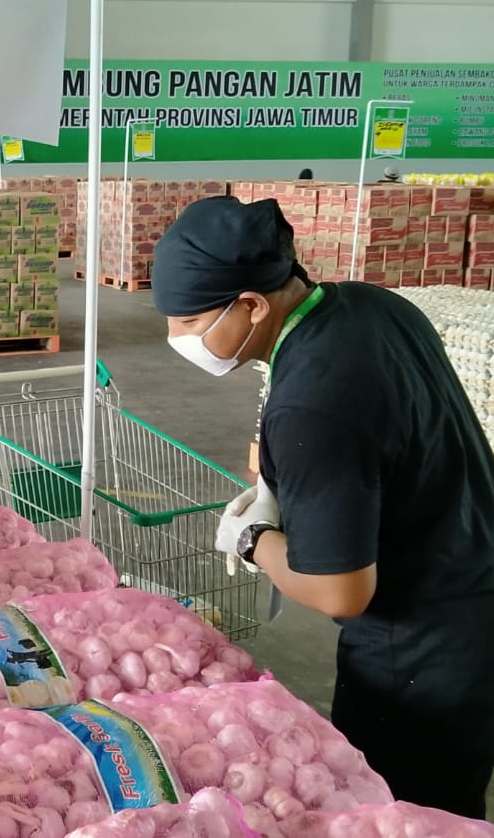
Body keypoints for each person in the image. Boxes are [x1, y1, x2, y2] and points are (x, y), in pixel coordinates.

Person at [151, 195, 494, 819]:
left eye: (188, 322)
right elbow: (389, 445)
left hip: (420, 647)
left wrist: (255, 540)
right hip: (472, 574)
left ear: (252, 305)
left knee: (406, 813)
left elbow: (341, 592)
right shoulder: (371, 305)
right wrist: (292, 488)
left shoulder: (313, 403)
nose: (179, 339)